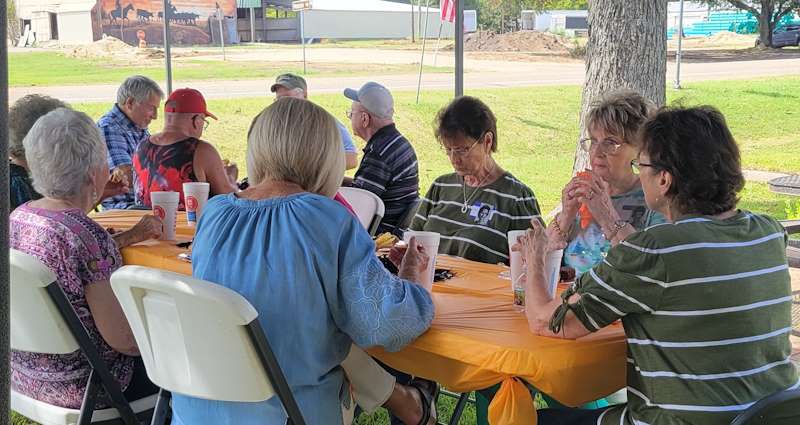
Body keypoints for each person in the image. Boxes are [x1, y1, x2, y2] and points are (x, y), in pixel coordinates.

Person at [518, 106, 799, 425]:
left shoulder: (656, 249)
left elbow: (546, 322)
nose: (639, 174)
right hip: (770, 414)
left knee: (529, 419)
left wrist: (537, 257)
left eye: (642, 165)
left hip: (680, 421)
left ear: (664, 179)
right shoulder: (767, 231)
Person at [171, 97, 437, 425]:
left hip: (198, 408)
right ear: (326, 157)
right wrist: (411, 277)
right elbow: (386, 324)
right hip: (288, 412)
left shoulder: (214, 213)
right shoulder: (329, 219)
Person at [10, 108, 163, 410]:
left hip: (23, 376)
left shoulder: (19, 216)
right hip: (88, 386)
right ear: (94, 172)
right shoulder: (87, 236)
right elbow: (125, 341)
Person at [410, 96, 541, 265]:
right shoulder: (441, 187)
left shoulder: (516, 198)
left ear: (487, 141)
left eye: (461, 150)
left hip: (481, 291)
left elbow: (536, 262)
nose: (453, 159)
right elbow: (410, 241)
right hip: (427, 288)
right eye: (448, 149)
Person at [546, 90, 664, 276]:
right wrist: (566, 216)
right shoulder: (584, 193)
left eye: (610, 143)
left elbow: (650, 267)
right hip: (568, 299)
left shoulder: (654, 201)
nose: (597, 152)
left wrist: (606, 214)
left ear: (639, 150)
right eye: (593, 141)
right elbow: (541, 265)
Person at [132, 88, 238, 209]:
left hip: (145, 224)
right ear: (196, 121)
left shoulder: (141, 145)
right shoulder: (202, 150)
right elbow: (229, 199)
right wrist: (230, 179)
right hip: (187, 226)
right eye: (203, 120)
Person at [345, 82, 419, 235]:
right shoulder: (397, 143)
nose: (350, 117)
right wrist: (335, 179)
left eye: (351, 113)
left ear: (365, 119)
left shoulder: (379, 154)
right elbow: (365, 187)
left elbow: (357, 204)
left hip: (377, 237)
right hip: (393, 229)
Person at [98, 75, 164, 209]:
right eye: (152, 108)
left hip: (143, 202)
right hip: (124, 208)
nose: (155, 116)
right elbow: (126, 176)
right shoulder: (109, 128)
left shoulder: (138, 127)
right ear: (130, 103)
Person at [270, 73, 359, 170]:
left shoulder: (324, 121)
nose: (282, 104)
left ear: (304, 95)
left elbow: (351, 159)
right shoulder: (273, 125)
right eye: (278, 99)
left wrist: (313, 167)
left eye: (287, 98)